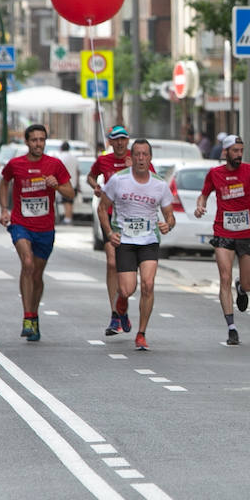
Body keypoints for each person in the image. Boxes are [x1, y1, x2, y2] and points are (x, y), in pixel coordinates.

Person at [0, 124, 74, 342]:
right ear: (27, 142)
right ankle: (28, 316)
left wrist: (57, 185)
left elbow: (70, 192)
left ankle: (35, 315)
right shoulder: (16, 164)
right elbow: (4, 182)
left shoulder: (55, 164)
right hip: (21, 224)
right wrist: (5, 209)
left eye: (42, 140)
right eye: (34, 140)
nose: (38, 144)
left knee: (38, 275)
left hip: (45, 229)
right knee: (28, 264)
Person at [99, 139, 175, 352]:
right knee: (126, 289)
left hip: (149, 241)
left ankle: (141, 333)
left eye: (145, 155)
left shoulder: (159, 184)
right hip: (125, 241)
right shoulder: (118, 180)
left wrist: (167, 224)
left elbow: (170, 216)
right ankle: (121, 303)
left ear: (150, 158)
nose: (141, 159)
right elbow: (102, 208)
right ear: (131, 158)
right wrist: (109, 232)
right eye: (137, 155)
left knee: (148, 285)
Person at [196, 135, 250, 346]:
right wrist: (201, 205)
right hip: (223, 233)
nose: (239, 154)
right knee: (224, 277)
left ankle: (241, 288)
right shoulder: (215, 174)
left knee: (247, 283)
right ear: (225, 152)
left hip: (246, 234)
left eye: (241, 150)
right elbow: (203, 194)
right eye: (235, 150)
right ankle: (231, 328)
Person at [88, 126, 134, 336]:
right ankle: (115, 314)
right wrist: (96, 187)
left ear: (128, 140)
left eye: (123, 139)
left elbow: (151, 181)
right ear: (110, 141)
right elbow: (91, 176)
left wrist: (134, 169)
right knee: (112, 263)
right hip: (110, 217)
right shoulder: (103, 160)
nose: (120, 143)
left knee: (129, 270)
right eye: (116, 140)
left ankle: (122, 305)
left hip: (132, 220)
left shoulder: (136, 158)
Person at [57, 140, 80, 223]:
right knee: (70, 202)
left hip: (64, 183)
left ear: (61, 148)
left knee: (66, 202)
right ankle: (69, 217)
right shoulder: (74, 158)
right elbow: (78, 171)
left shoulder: (60, 157)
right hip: (73, 183)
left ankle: (68, 218)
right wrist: (78, 184)